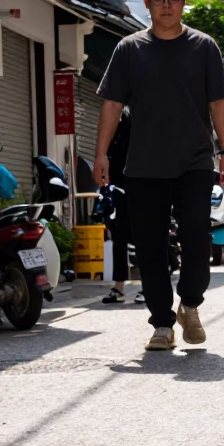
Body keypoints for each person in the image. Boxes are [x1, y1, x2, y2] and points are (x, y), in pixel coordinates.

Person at [94, 0, 224, 351]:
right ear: (146, 3)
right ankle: (162, 324)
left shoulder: (204, 47)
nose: (166, 5)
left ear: (184, 2)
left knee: (197, 236)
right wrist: (101, 154)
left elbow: (219, 104)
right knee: (151, 247)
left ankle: (189, 303)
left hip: (194, 162)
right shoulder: (129, 49)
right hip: (143, 166)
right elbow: (111, 105)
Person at [101, 109, 144, 305]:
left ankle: (147, 287)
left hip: (144, 186)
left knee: (143, 238)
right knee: (119, 238)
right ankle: (118, 288)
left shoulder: (146, 118)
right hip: (120, 187)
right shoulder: (119, 121)